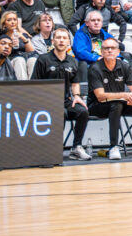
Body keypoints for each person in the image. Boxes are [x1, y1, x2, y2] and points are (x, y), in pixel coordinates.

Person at [86, 37, 132, 160]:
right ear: (101, 52)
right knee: (117, 105)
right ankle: (114, 147)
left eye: (112, 48)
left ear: (118, 51)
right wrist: (125, 95)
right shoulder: (95, 68)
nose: (109, 50)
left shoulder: (124, 66)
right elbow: (100, 96)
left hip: (118, 104)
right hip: (97, 106)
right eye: (106, 48)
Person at [31, 28, 90, 160]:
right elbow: (34, 84)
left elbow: (75, 83)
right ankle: (54, 148)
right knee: (61, 112)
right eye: (58, 37)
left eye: (64, 38)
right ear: (53, 41)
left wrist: (77, 97)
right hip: (46, 102)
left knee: (83, 111)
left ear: (69, 42)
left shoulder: (73, 61)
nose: (61, 40)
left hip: (65, 100)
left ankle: (76, 148)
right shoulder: (43, 59)